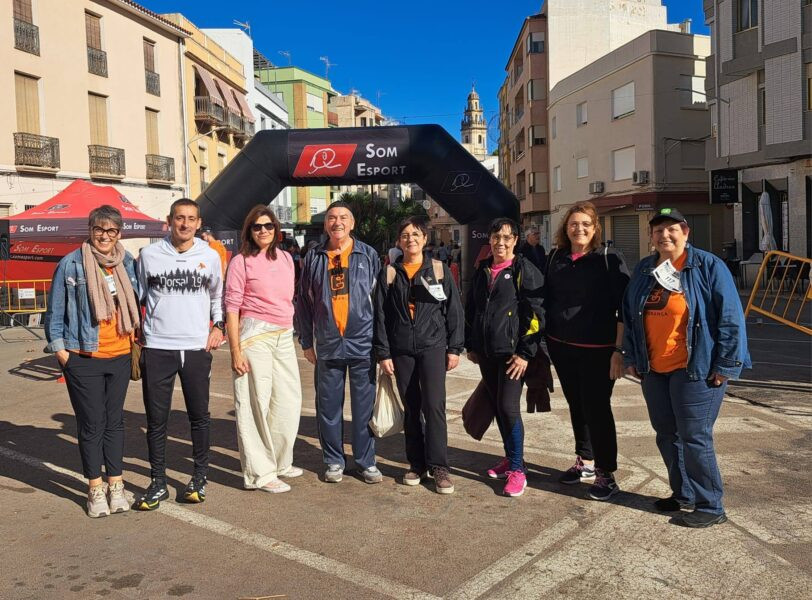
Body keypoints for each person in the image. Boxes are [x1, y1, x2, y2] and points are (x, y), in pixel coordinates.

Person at [622, 208, 750, 528]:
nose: (664, 235)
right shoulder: (644, 269)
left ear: (685, 232)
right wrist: (633, 357)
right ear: (651, 237)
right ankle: (684, 494)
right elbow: (629, 314)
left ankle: (711, 505)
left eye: (671, 229)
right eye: (658, 231)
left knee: (695, 437)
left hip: (696, 368)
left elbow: (731, 317)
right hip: (655, 368)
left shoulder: (707, 266)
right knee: (667, 434)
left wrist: (726, 364)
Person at [45, 205, 141, 518]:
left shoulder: (127, 262)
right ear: (90, 230)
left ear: (119, 233)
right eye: (99, 229)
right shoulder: (71, 264)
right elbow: (54, 313)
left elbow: (138, 300)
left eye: (111, 230)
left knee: (115, 423)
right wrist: (61, 351)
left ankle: (116, 484)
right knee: (91, 424)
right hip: (83, 356)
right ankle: (95, 488)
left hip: (120, 354)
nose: (104, 235)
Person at [134, 198, 224, 511]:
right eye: (179, 218)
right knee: (156, 420)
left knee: (199, 416)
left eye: (191, 219)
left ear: (199, 223)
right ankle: (157, 482)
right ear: (169, 220)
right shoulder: (148, 255)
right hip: (158, 347)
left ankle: (199, 478)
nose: (185, 224)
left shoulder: (210, 256)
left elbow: (217, 297)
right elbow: (139, 297)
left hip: (196, 347)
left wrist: (219, 326)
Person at [544, 202, 630, 501]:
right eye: (573, 224)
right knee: (576, 406)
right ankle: (585, 461)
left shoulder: (608, 258)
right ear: (565, 228)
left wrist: (619, 350)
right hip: (562, 346)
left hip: (598, 349)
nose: (578, 229)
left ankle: (606, 473)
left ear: (595, 228)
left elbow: (624, 309)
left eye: (585, 224)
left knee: (597, 409)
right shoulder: (556, 257)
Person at [373, 217, 465, 494]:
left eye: (416, 234)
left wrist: (454, 347)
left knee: (434, 406)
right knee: (412, 407)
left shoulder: (438, 269)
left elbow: (454, 310)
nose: (410, 238)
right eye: (405, 235)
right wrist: (383, 353)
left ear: (425, 239)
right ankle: (416, 464)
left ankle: (439, 467)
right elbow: (380, 315)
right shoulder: (389, 273)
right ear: (399, 241)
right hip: (401, 349)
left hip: (433, 346)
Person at [296, 201, 382, 484]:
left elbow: (380, 305)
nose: (337, 222)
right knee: (328, 408)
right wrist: (307, 342)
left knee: (363, 408)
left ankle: (365, 461)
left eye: (344, 217)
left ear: (352, 224)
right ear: (325, 225)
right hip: (328, 345)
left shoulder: (368, 255)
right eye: (332, 217)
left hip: (363, 344)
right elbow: (304, 303)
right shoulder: (314, 258)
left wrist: (382, 347)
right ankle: (333, 461)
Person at [225, 206, 302, 494]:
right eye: (257, 227)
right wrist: (235, 350)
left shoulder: (285, 258)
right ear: (249, 231)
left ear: (276, 229)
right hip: (254, 335)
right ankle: (260, 473)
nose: (263, 231)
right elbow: (231, 308)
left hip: (283, 334)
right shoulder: (240, 262)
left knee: (288, 401)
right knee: (255, 403)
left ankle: (281, 461)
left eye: (268, 226)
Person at [465, 217, 544, 497]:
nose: (500, 243)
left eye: (506, 238)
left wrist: (525, 353)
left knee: (509, 408)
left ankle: (519, 471)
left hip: (513, 356)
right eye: (496, 237)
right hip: (487, 354)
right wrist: (470, 344)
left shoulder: (524, 269)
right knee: (498, 407)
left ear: (515, 241)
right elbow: (472, 307)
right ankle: (511, 459)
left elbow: (536, 314)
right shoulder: (483, 269)